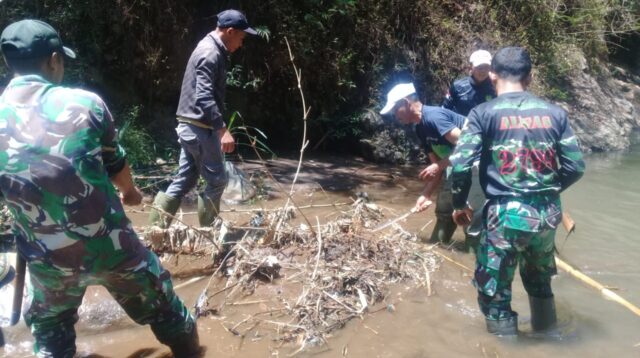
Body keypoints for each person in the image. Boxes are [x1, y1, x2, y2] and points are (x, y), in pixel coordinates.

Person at [0, 19, 200, 357]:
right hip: (112, 249)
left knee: (49, 333)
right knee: (169, 312)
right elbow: (115, 165)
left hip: (47, 260)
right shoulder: (85, 105)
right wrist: (131, 193)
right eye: (60, 59)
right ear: (53, 59)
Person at [449, 47, 585, 336]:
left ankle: (505, 348)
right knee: (540, 283)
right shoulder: (555, 113)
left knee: (495, 294)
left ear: (493, 76)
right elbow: (576, 166)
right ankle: (549, 342)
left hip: (504, 217)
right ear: (530, 77)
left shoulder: (482, 113)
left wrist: (460, 203)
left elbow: (460, 165)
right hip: (548, 215)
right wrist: (544, 190)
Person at [149, 9, 257, 228]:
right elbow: (204, 96)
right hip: (199, 128)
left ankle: (155, 229)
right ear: (230, 31)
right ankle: (210, 231)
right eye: (241, 37)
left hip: (189, 126)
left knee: (185, 179)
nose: (241, 44)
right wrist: (222, 130)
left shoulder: (207, 47)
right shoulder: (210, 53)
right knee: (218, 179)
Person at [379, 83, 484, 244]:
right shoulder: (420, 129)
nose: (394, 115)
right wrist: (425, 194)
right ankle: (437, 248)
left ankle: (472, 259)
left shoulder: (434, 117)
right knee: (444, 208)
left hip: (480, 163)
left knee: (469, 215)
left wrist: (439, 165)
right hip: (458, 166)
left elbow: (469, 145)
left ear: (406, 103)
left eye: (395, 109)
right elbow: (436, 168)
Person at [442, 49, 497, 116]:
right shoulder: (458, 87)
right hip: (460, 125)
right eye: (479, 67)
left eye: (486, 67)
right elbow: (444, 111)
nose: (483, 71)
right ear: (471, 67)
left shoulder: (495, 87)